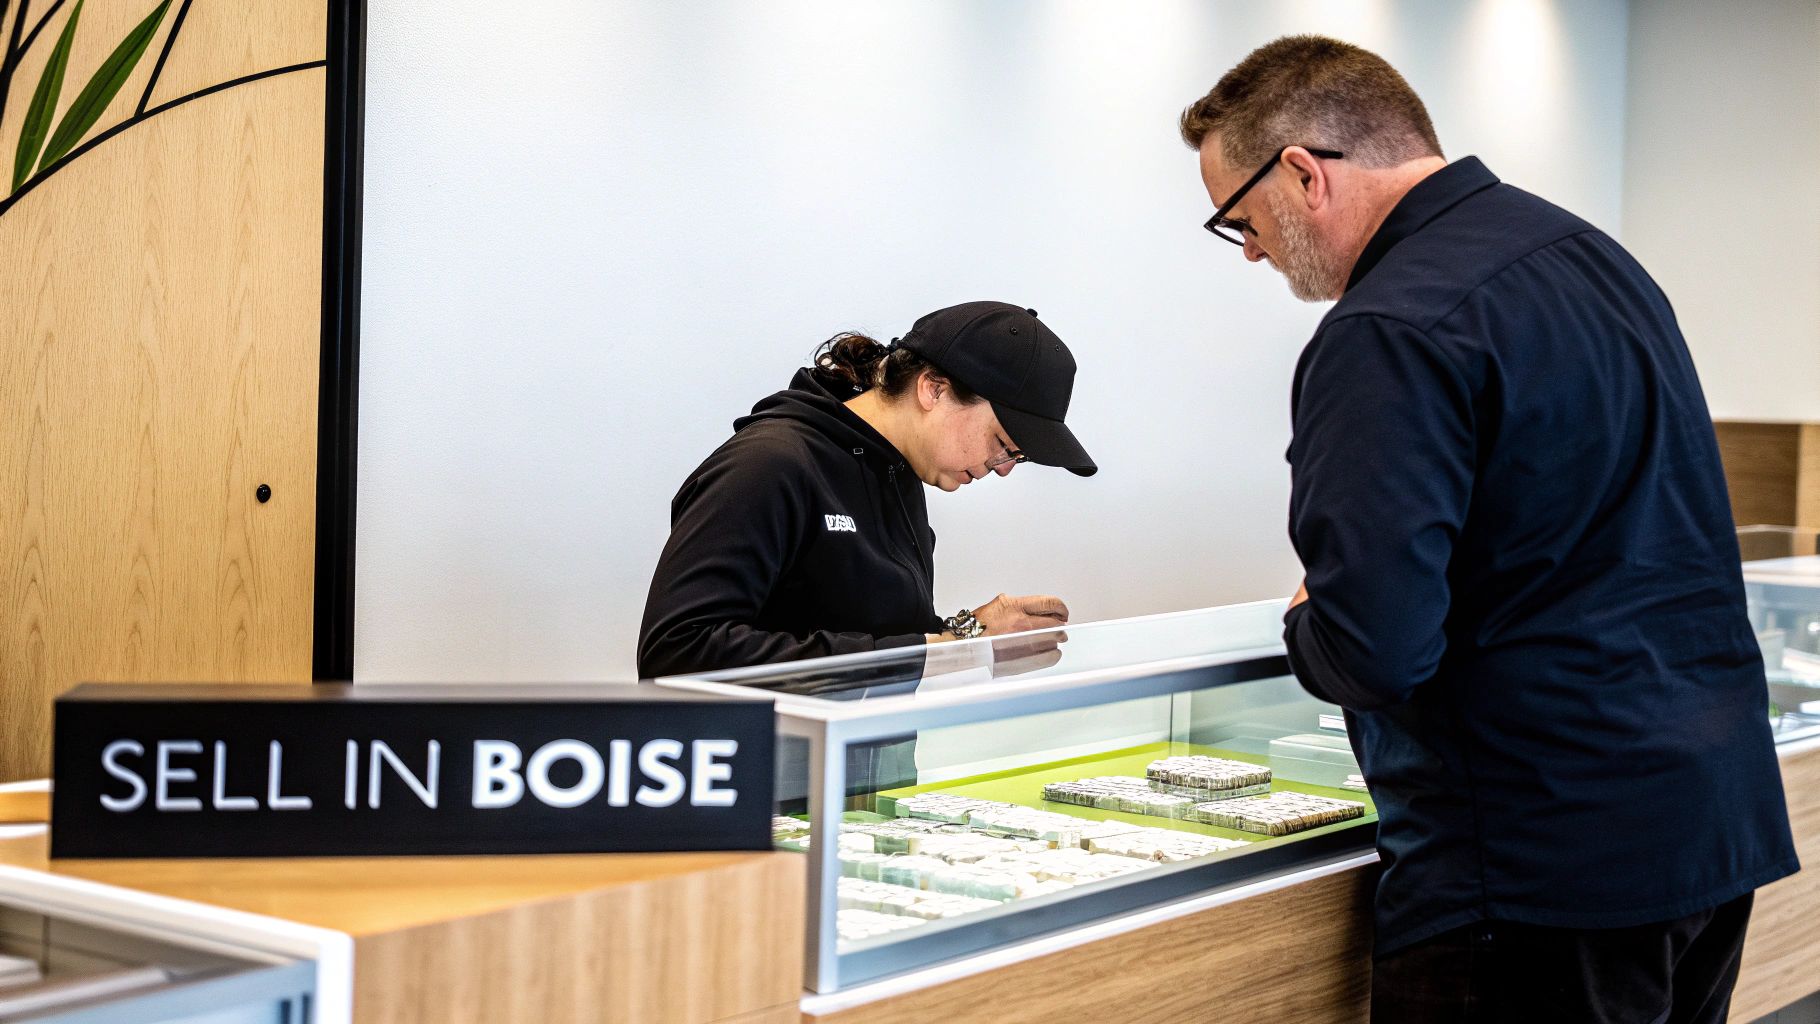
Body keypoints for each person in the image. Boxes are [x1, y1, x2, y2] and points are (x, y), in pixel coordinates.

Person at [1180, 35, 1797, 1023]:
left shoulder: (1384, 327)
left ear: (1301, 173)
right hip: (1703, 823)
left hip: (1534, 870)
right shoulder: (1590, 259)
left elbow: (1373, 646)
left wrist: (1308, 618)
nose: (1247, 248)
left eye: (1235, 217)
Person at [637, 300, 1095, 682]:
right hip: (767, 782)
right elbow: (675, 652)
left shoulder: (900, 477)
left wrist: (971, 641)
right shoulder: (770, 465)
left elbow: (868, 635)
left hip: (857, 782)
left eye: (1017, 455)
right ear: (933, 389)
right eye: (1001, 443)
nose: (1003, 471)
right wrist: (954, 645)